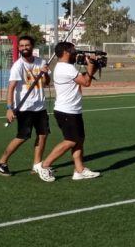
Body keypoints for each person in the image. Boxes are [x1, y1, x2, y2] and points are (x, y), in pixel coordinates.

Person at [35, 42, 101, 181]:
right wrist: (90, 66)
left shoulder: (67, 68)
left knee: (79, 140)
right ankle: (45, 165)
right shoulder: (65, 68)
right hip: (66, 111)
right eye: (73, 51)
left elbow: (84, 78)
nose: (75, 53)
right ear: (65, 52)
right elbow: (86, 82)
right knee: (71, 141)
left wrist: (92, 66)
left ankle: (79, 170)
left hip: (73, 110)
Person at [0, 35, 52, 179]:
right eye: (22, 46)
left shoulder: (41, 62)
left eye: (27, 45)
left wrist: (45, 73)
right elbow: (11, 87)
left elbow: (46, 83)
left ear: (32, 46)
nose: (24, 48)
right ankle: (1, 162)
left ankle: (37, 164)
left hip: (40, 106)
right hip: (24, 107)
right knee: (23, 136)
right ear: (19, 48)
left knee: (43, 135)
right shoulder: (18, 65)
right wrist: (9, 107)